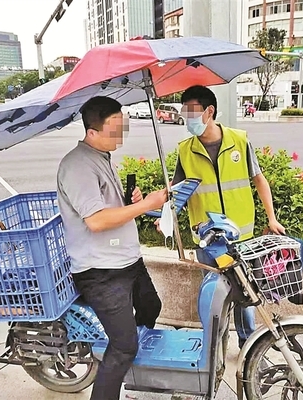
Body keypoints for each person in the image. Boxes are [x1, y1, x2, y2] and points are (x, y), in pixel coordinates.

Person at [57, 96, 167, 400]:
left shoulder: (101, 156)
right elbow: (95, 221)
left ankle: (126, 369)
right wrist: (145, 205)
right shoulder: (78, 166)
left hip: (125, 260)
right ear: (92, 132)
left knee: (150, 307)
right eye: (114, 130)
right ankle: (114, 372)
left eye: (123, 128)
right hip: (101, 271)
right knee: (124, 346)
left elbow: (109, 208)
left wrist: (130, 201)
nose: (120, 137)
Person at [172, 85, 285, 349]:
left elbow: (259, 179)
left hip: (240, 236)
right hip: (207, 239)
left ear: (209, 111)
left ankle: (249, 346)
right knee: (214, 298)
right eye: (184, 111)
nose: (186, 117)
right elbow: (179, 193)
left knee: (245, 295)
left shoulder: (239, 140)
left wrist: (272, 218)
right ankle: (217, 348)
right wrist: (167, 216)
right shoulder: (185, 150)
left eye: (191, 111)